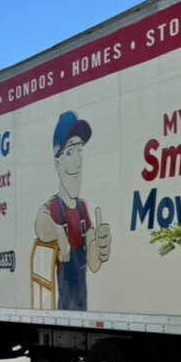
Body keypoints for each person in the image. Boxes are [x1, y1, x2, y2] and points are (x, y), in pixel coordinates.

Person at [34, 111, 111, 310]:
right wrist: (58, 232)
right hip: (65, 310)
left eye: (80, 150)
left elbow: (93, 264)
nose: (78, 162)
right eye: (69, 152)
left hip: (82, 307)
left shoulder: (83, 209)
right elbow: (40, 224)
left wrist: (100, 248)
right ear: (57, 164)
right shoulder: (54, 208)